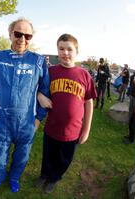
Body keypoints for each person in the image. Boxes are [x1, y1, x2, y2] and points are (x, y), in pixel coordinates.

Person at [0, 18, 50, 193]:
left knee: (22, 157)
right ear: (10, 33)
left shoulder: (38, 61)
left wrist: (38, 119)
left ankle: (14, 178)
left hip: (26, 121)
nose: (22, 39)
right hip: (3, 119)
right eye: (18, 34)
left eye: (28, 36)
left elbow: (45, 91)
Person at [35, 34, 97, 194]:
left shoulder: (84, 75)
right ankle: (44, 174)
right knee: (48, 154)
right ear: (57, 51)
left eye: (69, 49)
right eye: (61, 49)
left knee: (64, 159)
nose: (65, 53)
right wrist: (39, 95)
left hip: (73, 131)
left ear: (76, 51)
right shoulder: (51, 71)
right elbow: (36, 88)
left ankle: (54, 178)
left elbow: (89, 102)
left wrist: (86, 129)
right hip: (52, 127)